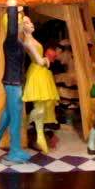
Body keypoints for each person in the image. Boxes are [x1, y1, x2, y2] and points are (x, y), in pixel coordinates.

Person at [0, 0, 33, 164]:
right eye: (19, 22)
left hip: (15, 81)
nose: (21, 24)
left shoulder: (17, 42)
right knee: (16, 117)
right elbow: (11, 29)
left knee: (10, 111)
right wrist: (12, 8)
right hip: (12, 83)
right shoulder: (10, 41)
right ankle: (14, 151)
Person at [21, 16, 60, 154]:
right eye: (26, 22)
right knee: (40, 107)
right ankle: (33, 131)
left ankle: (38, 134)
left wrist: (46, 60)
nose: (30, 24)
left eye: (30, 21)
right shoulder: (27, 42)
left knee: (43, 106)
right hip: (37, 72)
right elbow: (39, 60)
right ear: (22, 27)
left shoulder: (32, 39)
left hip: (42, 73)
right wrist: (46, 60)